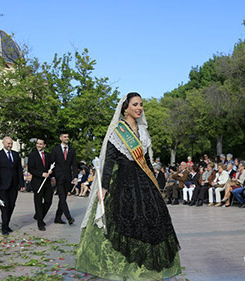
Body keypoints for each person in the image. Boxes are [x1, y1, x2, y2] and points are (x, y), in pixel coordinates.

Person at [76, 92, 181, 280]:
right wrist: (104, 187)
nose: (139, 108)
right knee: (123, 221)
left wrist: (155, 183)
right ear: (126, 108)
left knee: (151, 222)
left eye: (141, 104)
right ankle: (121, 266)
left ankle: (147, 266)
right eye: (135, 104)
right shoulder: (118, 132)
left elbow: (147, 162)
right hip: (124, 181)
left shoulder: (144, 132)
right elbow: (109, 161)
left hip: (144, 182)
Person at [0, 136, 23, 235]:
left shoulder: (15, 154)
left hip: (13, 185)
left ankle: (6, 224)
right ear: (3, 143)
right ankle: (4, 227)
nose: (10, 145)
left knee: (11, 205)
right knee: (4, 207)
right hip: (2, 186)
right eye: (8, 143)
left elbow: (19, 170)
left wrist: (21, 183)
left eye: (11, 144)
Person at [49, 132, 78, 225]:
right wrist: (52, 176)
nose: (67, 138)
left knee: (63, 198)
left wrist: (75, 177)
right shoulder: (55, 150)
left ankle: (57, 218)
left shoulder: (72, 150)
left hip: (68, 178)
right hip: (58, 177)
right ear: (60, 138)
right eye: (65, 137)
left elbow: (74, 165)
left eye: (68, 137)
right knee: (62, 198)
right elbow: (52, 164)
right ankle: (69, 217)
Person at [28, 137, 53, 231]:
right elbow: (31, 169)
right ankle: (40, 222)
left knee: (48, 201)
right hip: (37, 182)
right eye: (38, 143)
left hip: (47, 182)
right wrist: (41, 174)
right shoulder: (32, 155)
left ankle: (38, 215)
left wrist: (51, 173)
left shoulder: (48, 155)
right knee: (38, 202)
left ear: (44, 145)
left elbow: (51, 167)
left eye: (41, 144)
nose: (38, 145)